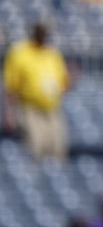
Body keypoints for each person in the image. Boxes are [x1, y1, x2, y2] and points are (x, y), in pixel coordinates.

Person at [2, 22, 71, 161]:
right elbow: (10, 87)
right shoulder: (20, 53)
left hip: (52, 108)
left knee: (59, 148)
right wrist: (9, 113)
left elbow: (63, 82)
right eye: (41, 33)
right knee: (37, 147)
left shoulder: (52, 54)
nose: (44, 36)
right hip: (30, 108)